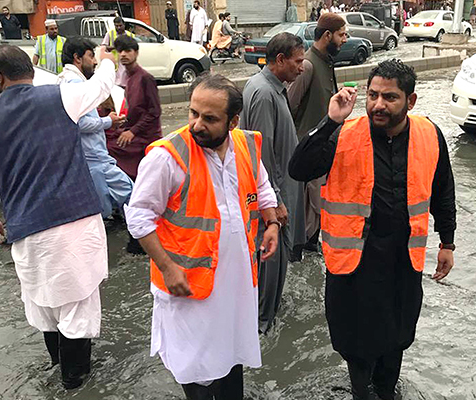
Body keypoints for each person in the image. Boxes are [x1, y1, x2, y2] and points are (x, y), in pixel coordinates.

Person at [288, 59, 457, 400]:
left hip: (403, 259)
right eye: (372, 95)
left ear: (410, 101)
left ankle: (385, 389)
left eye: (389, 97)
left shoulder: (429, 135)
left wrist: (447, 243)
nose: (378, 104)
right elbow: (298, 168)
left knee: (398, 334)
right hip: (354, 262)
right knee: (356, 340)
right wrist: (330, 120)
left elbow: (443, 190)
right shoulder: (342, 134)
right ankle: (360, 391)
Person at [0, 44, 116, 390]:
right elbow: (102, 86)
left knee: (46, 310)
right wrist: (106, 61)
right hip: (75, 222)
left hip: (26, 231)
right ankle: (75, 383)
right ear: (31, 71)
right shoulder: (61, 97)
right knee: (77, 312)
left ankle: (60, 370)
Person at [125, 72, 279, 399]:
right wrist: (167, 268)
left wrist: (272, 222)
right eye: (193, 113)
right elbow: (138, 217)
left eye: (209, 118)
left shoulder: (246, 144)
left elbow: (262, 187)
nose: (196, 124)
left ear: (233, 121)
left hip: (236, 279)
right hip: (188, 282)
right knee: (193, 362)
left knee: (232, 351)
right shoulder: (168, 156)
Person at [240, 33, 307, 333]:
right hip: (272, 203)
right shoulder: (265, 94)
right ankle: (262, 324)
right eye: (298, 61)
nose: (302, 68)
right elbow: (262, 153)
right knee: (271, 262)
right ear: (280, 60)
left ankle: (264, 316)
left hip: (279, 193)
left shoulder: (270, 87)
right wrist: (275, 204)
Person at [287, 13, 347, 258]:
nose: (345, 39)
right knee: (310, 208)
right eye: (342, 34)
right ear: (327, 36)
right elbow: (289, 106)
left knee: (319, 206)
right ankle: (298, 252)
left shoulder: (326, 62)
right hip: (309, 150)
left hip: (325, 150)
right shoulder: (309, 65)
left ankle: (310, 247)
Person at [57, 36, 133, 220]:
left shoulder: (64, 80)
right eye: (90, 56)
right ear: (77, 57)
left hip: (88, 157)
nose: (94, 61)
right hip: (94, 158)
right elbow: (81, 123)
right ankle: (140, 236)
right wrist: (109, 121)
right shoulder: (75, 84)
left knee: (102, 203)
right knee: (130, 193)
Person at [107, 34, 162, 184]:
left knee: (112, 147)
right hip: (133, 130)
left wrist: (132, 131)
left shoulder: (145, 78)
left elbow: (154, 112)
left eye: (127, 50)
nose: (123, 54)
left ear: (136, 53)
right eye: (120, 51)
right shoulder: (129, 78)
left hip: (146, 135)